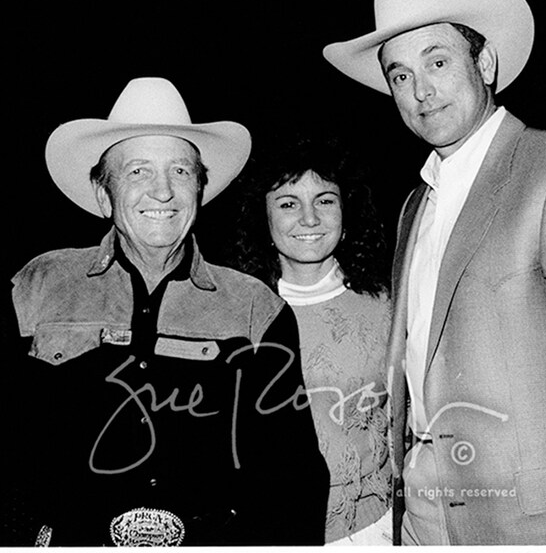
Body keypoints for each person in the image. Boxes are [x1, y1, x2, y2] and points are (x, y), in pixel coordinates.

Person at [322, 0, 546, 546]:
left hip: (530, 526)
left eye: (438, 61)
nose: (420, 90)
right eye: (400, 75)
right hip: (422, 517)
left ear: (486, 63)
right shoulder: (412, 206)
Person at [0, 77, 329, 546]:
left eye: (180, 172)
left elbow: (292, 478)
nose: (162, 192)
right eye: (137, 172)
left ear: (199, 189)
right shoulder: (37, 285)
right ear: (102, 193)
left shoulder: (255, 307)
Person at [229, 134, 393, 544]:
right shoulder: (235, 314)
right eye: (288, 203)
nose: (309, 219)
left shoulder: (390, 304)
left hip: (371, 528)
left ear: (346, 209)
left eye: (325, 200)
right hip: (264, 530)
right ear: (262, 219)